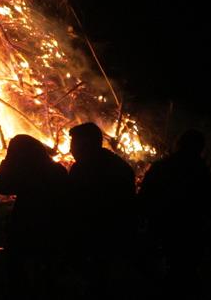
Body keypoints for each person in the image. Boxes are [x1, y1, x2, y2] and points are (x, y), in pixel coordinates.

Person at [139, 129, 211, 298]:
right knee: (186, 269)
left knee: (165, 269)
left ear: (178, 145)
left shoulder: (162, 167)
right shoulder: (202, 170)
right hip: (191, 230)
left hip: (164, 226)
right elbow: (208, 201)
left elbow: (145, 195)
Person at [67, 122, 136, 297]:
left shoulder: (98, 169)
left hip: (103, 237)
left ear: (87, 144)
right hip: (100, 237)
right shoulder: (115, 166)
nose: (71, 149)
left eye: (74, 144)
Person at [0, 134, 69, 299]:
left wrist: (6, 162)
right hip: (53, 231)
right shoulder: (57, 170)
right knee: (46, 273)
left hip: (26, 228)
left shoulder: (25, 172)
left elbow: (2, 186)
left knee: (16, 266)